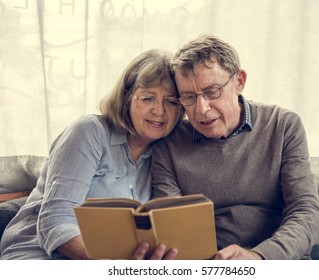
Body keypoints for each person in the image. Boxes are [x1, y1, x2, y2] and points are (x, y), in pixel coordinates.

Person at [151, 34, 319, 260]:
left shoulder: (283, 125)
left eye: (212, 91)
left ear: (239, 82)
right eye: (188, 97)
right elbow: (173, 226)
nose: (201, 109)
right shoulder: (169, 144)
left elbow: (309, 214)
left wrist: (259, 257)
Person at [0, 49, 183, 260]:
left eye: (171, 102)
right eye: (148, 98)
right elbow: (56, 219)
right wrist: (107, 265)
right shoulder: (89, 131)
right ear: (126, 98)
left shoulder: (166, 155)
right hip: (37, 254)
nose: (159, 111)